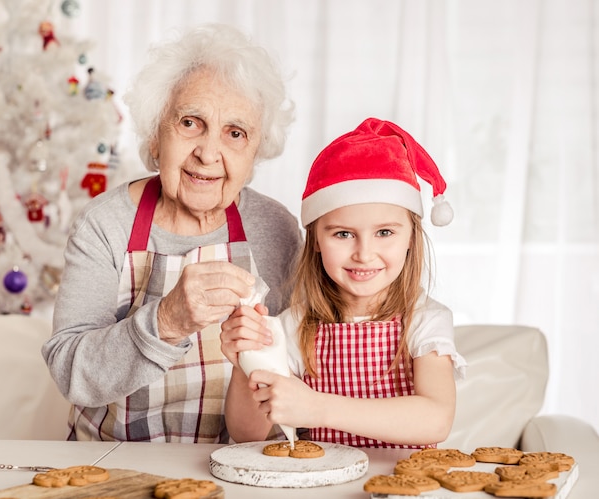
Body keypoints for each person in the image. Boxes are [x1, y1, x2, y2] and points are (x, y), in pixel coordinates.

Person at [42, 23, 302, 443]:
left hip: (238, 466)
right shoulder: (104, 225)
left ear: (256, 150)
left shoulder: (275, 229)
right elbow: (70, 372)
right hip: (114, 460)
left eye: (235, 133)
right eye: (190, 123)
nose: (208, 152)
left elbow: (299, 370)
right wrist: (166, 321)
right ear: (156, 134)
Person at [221, 117, 467, 448]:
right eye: (343, 234)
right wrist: (245, 362)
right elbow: (247, 434)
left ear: (411, 236)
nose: (364, 254)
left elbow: (435, 420)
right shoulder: (295, 326)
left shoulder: (425, 321)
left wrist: (318, 408)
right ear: (317, 240)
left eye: (384, 232)